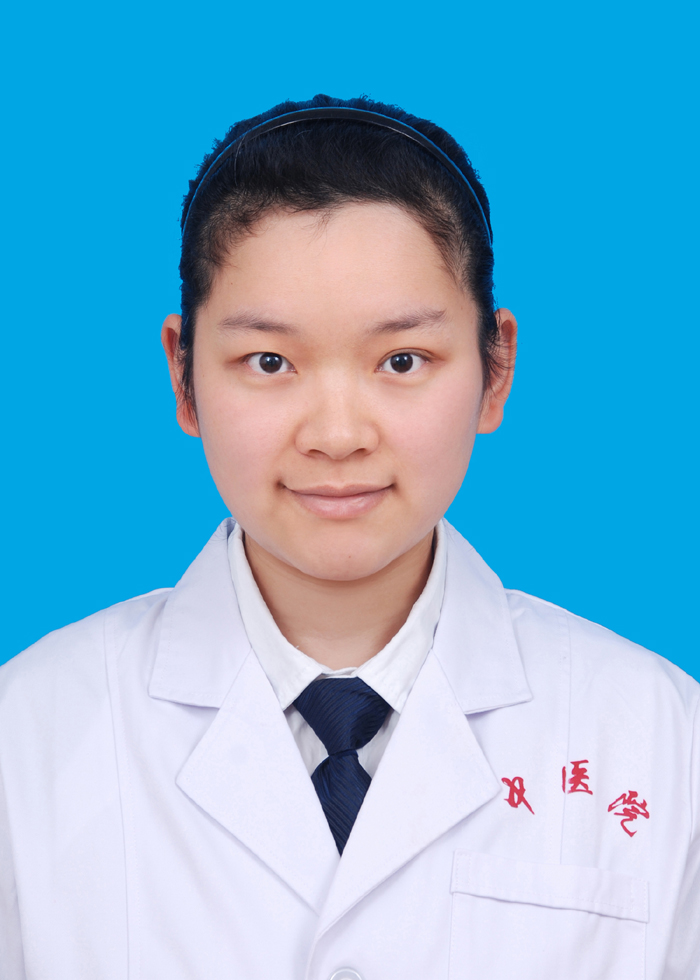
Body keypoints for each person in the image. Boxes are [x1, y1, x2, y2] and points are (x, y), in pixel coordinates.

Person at [0, 93, 697, 980]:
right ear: (182, 375)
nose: (337, 435)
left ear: (495, 369)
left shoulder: (661, 740)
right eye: (269, 362)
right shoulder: (27, 738)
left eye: (402, 361)